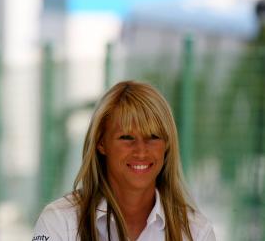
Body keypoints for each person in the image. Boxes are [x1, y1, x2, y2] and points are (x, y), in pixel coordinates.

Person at [32, 81, 216, 241]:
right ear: (101, 143)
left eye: (153, 136)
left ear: (167, 144)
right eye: (127, 137)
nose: (141, 151)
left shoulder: (196, 231)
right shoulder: (59, 221)